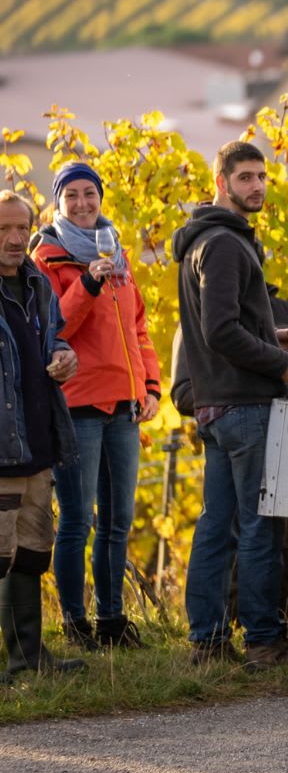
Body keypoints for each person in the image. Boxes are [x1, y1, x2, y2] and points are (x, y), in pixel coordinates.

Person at [172, 140, 288, 669]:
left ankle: (207, 642)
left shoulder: (206, 241)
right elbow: (219, 329)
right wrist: (281, 364)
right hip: (244, 404)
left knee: (215, 522)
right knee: (257, 525)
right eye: (245, 178)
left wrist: (272, 333)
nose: (257, 187)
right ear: (220, 182)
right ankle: (264, 642)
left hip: (215, 403)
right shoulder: (224, 243)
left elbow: (225, 323)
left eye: (262, 177)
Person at [30, 162, 160, 651]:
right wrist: (86, 283)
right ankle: (74, 622)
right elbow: (52, 327)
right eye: (72, 196)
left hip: (124, 406)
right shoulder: (47, 259)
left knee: (117, 520)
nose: (83, 203)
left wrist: (149, 386)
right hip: (78, 404)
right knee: (77, 521)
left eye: (90, 193)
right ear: (58, 204)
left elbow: (139, 329)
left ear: (100, 198)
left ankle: (112, 620)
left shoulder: (119, 255)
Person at [0, 189, 84, 683]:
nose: (14, 239)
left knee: (31, 552)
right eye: (3, 230)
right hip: (2, 449)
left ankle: (27, 659)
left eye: (20, 228)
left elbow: (54, 337)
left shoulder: (38, 285)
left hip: (37, 443)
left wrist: (63, 355)